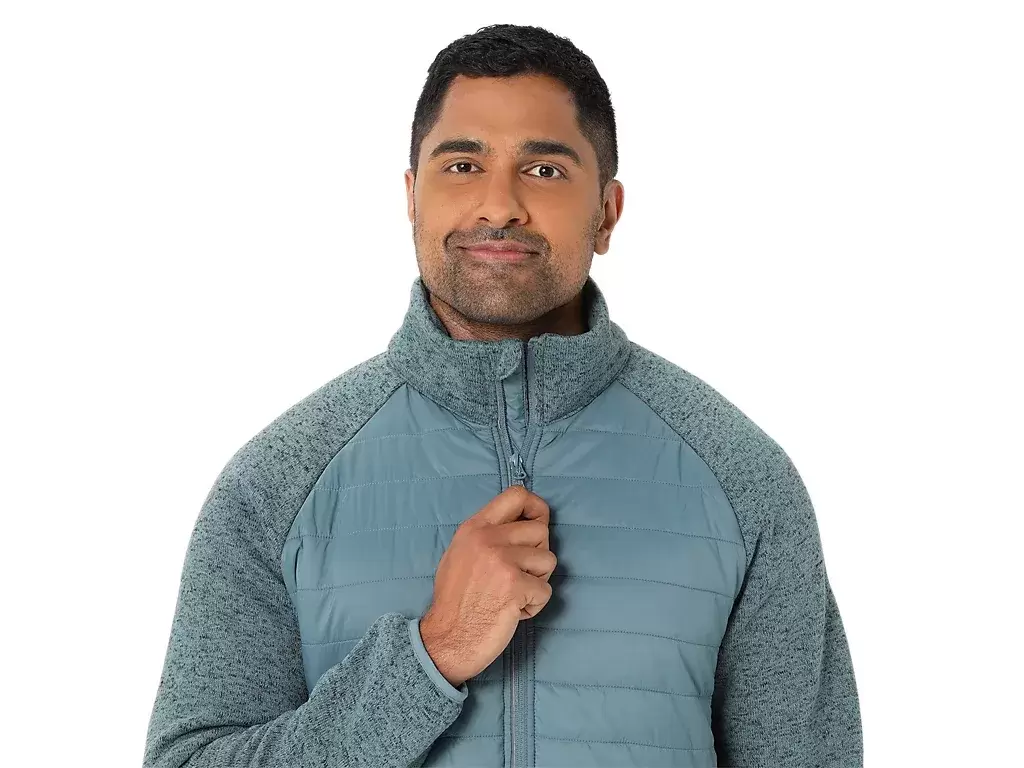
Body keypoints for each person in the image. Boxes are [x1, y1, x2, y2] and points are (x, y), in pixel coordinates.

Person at [143, 23, 863, 768]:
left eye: (544, 170)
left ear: (607, 213)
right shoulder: (277, 483)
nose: (499, 205)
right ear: (412, 198)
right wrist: (431, 656)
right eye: (463, 165)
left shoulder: (741, 478)